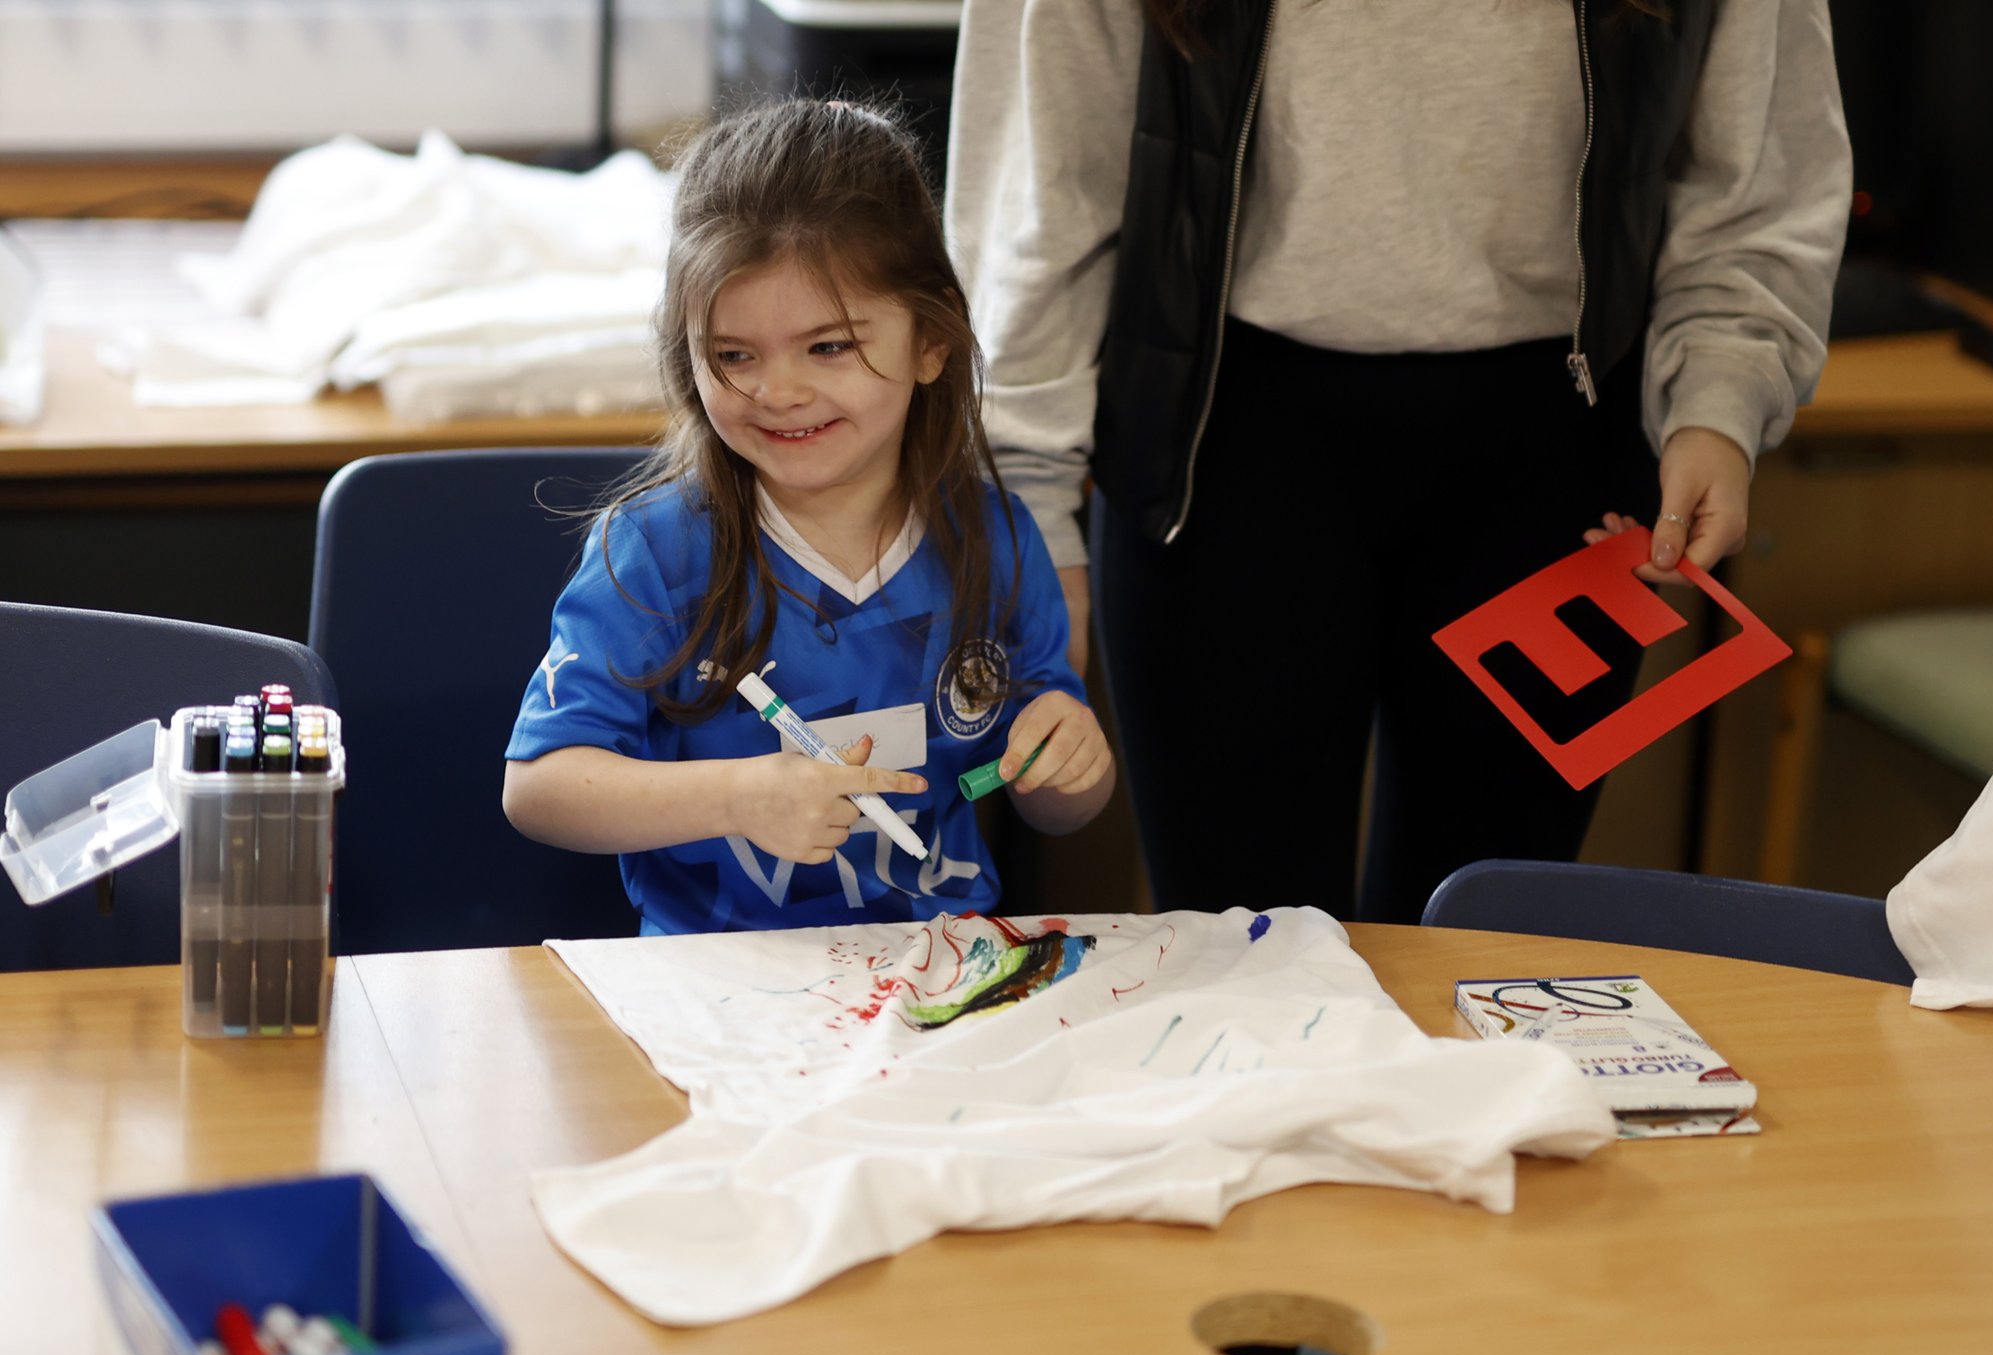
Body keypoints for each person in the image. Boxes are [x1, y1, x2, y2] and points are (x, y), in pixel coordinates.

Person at [946, 0, 1851, 923]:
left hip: (1562, 454)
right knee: (1245, 964)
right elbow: (1043, 175)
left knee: (1485, 952)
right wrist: (1027, 501)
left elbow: (1758, 162)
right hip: (1216, 445)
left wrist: (1719, 399)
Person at [504, 99, 1115, 935]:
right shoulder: (654, 551)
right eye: (733, 355)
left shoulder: (998, 537)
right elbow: (538, 787)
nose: (779, 391)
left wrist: (1071, 764)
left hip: (941, 972)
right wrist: (739, 796)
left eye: (828, 346)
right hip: (709, 983)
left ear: (931, 341)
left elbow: (1056, 802)